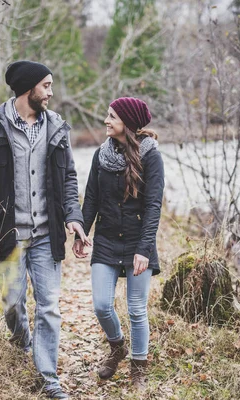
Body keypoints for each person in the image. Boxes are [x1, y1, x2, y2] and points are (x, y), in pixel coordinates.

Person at [0, 60, 90, 400]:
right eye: (46, 86)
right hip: (7, 235)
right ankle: (22, 345)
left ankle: (48, 378)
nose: (50, 92)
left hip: (47, 236)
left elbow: (68, 178)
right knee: (13, 303)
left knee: (49, 306)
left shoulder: (57, 128)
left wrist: (74, 218)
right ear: (27, 88)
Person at [73, 97, 164, 390]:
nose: (105, 121)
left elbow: (153, 206)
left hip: (139, 241)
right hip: (107, 241)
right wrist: (81, 234)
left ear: (127, 121)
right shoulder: (101, 156)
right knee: (101, 304)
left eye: (111, 116)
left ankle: (138, 366)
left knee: (136, 309)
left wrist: (144, 249)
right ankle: (117, 347)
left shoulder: (151, 156)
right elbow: (92, 200)